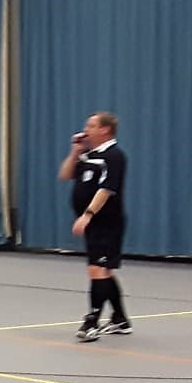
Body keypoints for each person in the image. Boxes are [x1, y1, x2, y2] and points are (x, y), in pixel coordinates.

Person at [59, 111, 131, 342]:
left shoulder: (114, 156)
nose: (86, 130)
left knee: (97, 270)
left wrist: (87, 215)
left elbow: (107, 189)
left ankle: (92, 321)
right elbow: (65, 174)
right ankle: (120, 319)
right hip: (94, 223)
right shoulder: (89, 156)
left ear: (104, 130)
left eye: (91, 126)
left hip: (107, 222)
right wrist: (75, 152)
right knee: (103, 270)